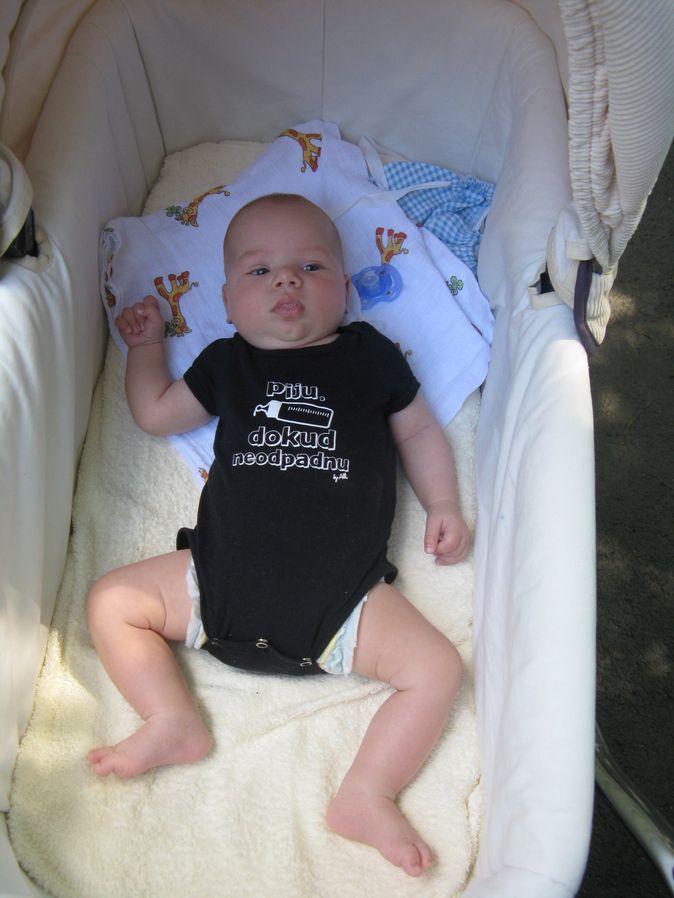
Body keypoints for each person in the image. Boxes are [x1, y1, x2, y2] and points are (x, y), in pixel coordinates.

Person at [87, 193, 470, 877]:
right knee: (111, 602)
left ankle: (367, 792)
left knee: (438, 670)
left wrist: (443, 502)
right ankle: (172, 719)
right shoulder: (227, 363)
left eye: (311, 266)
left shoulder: (369, 357)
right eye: (260, 271)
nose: (287, 279)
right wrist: (145, 347)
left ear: (344, 288)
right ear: (228, 301)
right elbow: (154, 413)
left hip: (342, 602)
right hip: (213, 583)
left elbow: (416, 430)